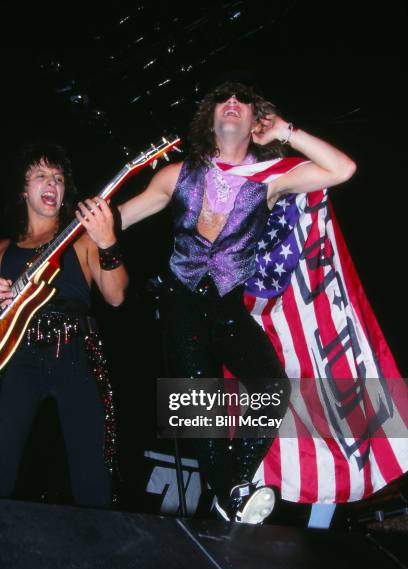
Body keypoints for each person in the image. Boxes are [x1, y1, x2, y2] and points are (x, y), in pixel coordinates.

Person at [118, 81, 356, 523]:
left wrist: (286, 130)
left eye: (242, 100)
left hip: (226, 304)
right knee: (200, 400)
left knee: (272, 387)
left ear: (255, 120)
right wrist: (99, 233)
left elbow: (342, 169)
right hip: (178, 295)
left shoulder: (270, 179)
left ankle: (232, 487)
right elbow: (122, 217)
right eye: (222, 99)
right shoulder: (177, 174)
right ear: (209, 119)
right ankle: (233, 492)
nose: (232, 103)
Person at [0, 143, 128, 508]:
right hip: (17, 358)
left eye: (57, 177)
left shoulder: (81, 238)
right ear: (24, 189)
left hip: (75, 354)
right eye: (40, 175)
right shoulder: (5, 248)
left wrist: (108, 242)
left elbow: (117, 296)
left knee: (90, 473)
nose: (51, 183)